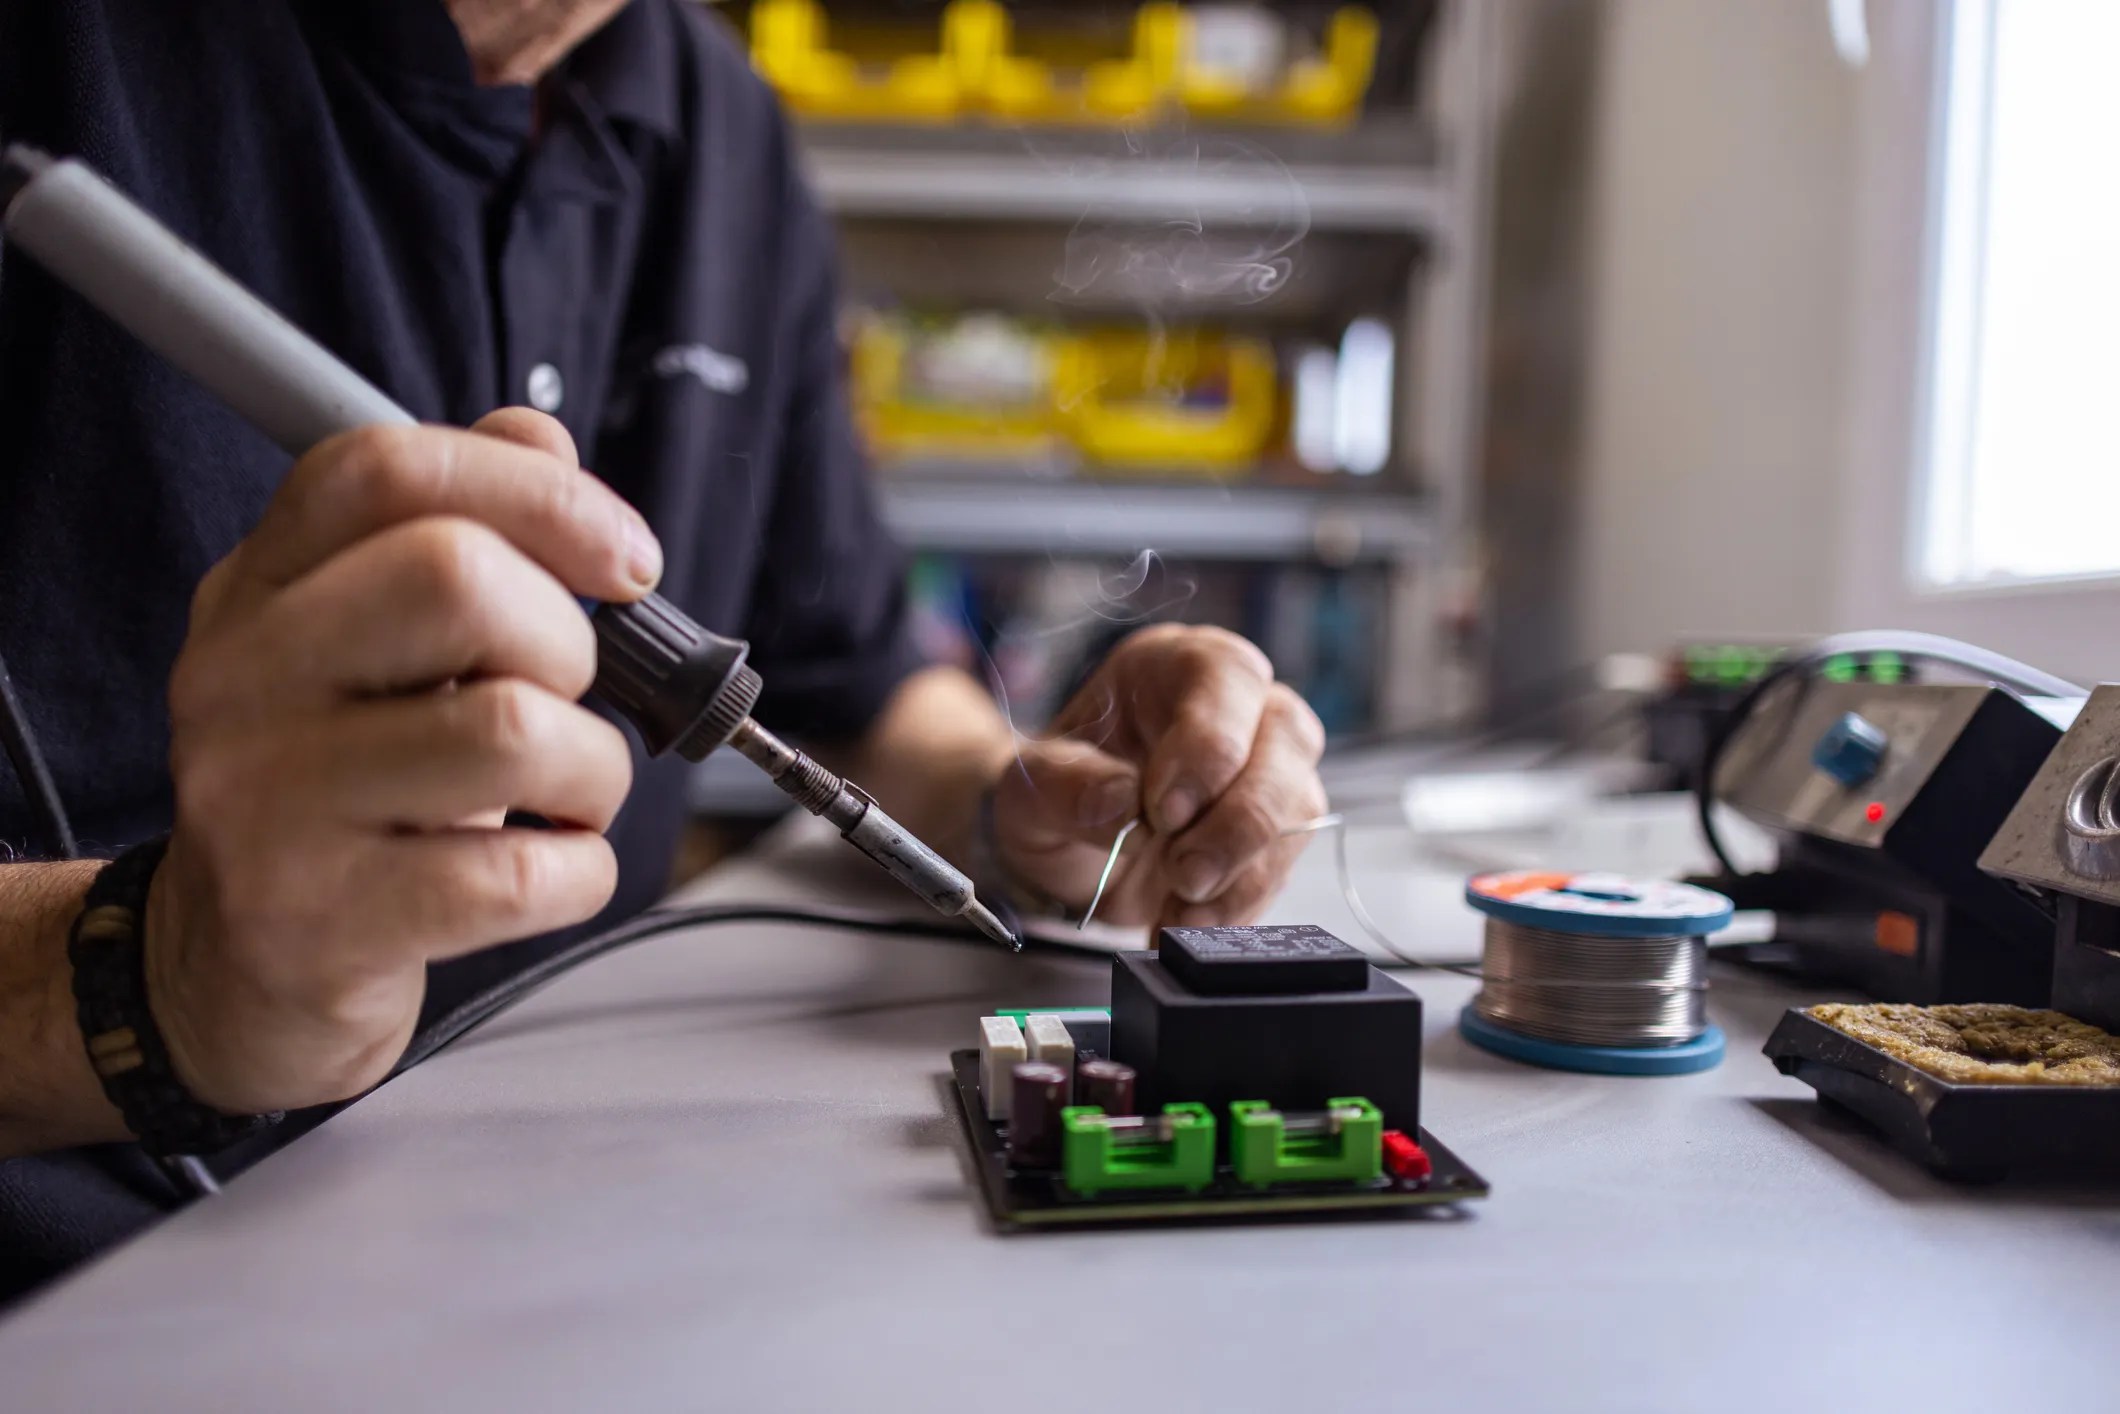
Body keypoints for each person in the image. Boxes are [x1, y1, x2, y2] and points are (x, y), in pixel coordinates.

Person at [0, 0, 1329, 1294]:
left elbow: (865, 682)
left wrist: (1027, 796)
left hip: (553, 1243)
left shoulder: (717, 121)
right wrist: (158, 975)